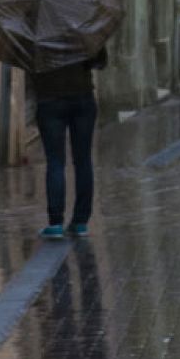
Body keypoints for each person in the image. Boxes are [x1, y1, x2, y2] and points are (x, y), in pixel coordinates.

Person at [32, 49, 107, 239]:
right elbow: (100, 61)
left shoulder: (36, 33)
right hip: (82, 97)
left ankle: (56, 223)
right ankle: (80, 222)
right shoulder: (83, 27)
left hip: (50, 99)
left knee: (55, 161)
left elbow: (28, 63)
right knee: (83, 160)